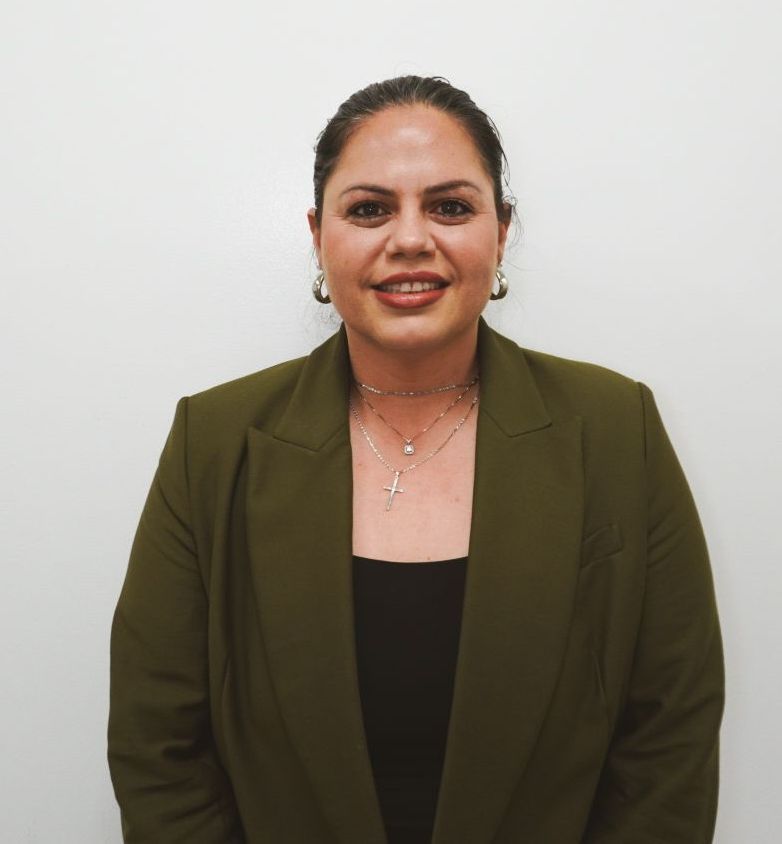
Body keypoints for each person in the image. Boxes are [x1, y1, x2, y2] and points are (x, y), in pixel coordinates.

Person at [108, 76, 724, 843]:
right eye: (369, 209)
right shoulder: (215, 440)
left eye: (450, 206)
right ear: (317, 234)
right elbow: (157, 747)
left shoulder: (614, 429)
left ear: (501, 232)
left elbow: (670, 738)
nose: (409, 238)